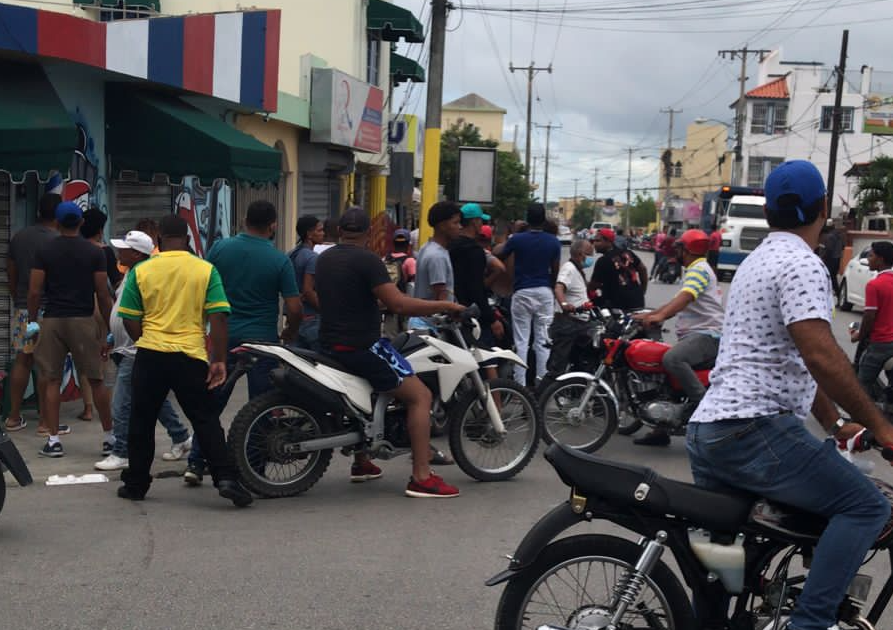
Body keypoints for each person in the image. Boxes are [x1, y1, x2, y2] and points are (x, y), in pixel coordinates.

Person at [687, 160, 893, 630]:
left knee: (728, 566)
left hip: (712, 429)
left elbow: (793, 359)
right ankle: (809, 623)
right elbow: (821, 354)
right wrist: (881, 427)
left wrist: (836, 425)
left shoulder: (757, 261)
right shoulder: (802, 263)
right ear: (823, 207)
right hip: (753, 431)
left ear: (769, 213)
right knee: (866, 506)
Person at [315, 207, 466, 497]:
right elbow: (398, 304)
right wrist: (444, 306)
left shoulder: (326, 259)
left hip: (329, 343)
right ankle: (422, 476)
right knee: (419, 395)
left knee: (371, 395)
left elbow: (341, 296)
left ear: (340, 231)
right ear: (370, 233)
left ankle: (362, 462)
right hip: (362, 346)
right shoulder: (368, 260)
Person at [116, 215, 252, 507]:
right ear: (188, 240)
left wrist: (144, 338)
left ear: (159, 239)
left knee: (141, 421)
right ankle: (226, 479)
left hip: (151, 355)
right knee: (204, 419)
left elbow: (128, 317)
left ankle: (136, 484)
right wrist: (218, 360)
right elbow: (218, 316)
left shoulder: (141, 271)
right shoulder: (205, 270)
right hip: (190, 357)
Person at [185, 201, 302, 485]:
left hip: (224, 336)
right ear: (273, 225)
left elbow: (203, 286)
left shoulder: (220, 249)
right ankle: (254, 466)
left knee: (213, 401)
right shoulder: (279, 260)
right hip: (262, 341)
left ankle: (197, 463)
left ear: (245, 219)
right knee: (260, 405)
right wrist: (289, 333)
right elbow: (295, 308)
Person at [94, 230, 193, 471]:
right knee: (152, 398)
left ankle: (121, 452)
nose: (118, 252)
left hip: (135, 350)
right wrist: (111, 336)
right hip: (124, 347)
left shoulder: (145, 274)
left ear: (137, 253)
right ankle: (181, 437)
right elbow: (123, 308)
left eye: (124, 248)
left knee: (121, 404)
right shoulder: (131, 273)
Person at [28, 202, 113, 458]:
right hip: (83, 319)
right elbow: (102, 292)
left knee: (51, 380)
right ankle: (109, 437)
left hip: (53, 319)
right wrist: (110, 327)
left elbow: (34, 290)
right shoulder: (94, 253)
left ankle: (53, 440)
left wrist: (33, 320)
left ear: (57, 221)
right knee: (96, 379)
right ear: (81, 223)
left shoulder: (44, 250)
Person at [633, 229, 724, 446]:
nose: (678, 252)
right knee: (663, 373)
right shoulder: (695, 270)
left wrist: (660, 316)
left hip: (708, 336)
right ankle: (661, 430)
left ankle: (702, 405)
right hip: (697, 336)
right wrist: (650, 315)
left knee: (672, 359)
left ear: (688, 250)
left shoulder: (699, 271)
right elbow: (675, 301)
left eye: (680, 248)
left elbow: (684, 299)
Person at [5, 193, 58, 434]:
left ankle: (13, 417)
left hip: (23, 308)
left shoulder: (19, 237)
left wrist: (19, 298)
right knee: (47, 365)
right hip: (47, 308)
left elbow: (11, 271)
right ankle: (45, 423)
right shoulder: (56, 240)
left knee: (23, 360)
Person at [495, 203, 561, 384]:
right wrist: (551, 288)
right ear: (543, 219)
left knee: (521, 341)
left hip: (522, 292)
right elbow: (555, 270)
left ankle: (519, 384)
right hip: (544, 292)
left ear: (527, 218)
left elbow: (498, 254)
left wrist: (512, 235)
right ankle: (542, 382)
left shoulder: (517, 239)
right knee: (542, 340)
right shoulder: (553, 241)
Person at [76, 207, 120, 423]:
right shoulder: (105, 252)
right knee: (104, 358)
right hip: (102, 305)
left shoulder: (75, 249)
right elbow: (116, 281)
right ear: (100, 229)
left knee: (85, 359)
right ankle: (106, 407)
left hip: (80, 306)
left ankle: (88, 408)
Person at [449, 203, 503, 347]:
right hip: (469, 313)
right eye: (481, 220)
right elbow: (476, 288)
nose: (483, 224)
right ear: (474, 222)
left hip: (449, 309)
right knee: (486, 356)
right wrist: (492, 319)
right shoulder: (475, 251)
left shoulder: (449, 246)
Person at [545, 239, 595, 378]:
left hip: (580, 323)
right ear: (580, 254)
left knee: (582, 360)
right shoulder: (569, 268)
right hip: (568, 324)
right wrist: (565, 305)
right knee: (558, 367)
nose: (592, 258)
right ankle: (541, 396)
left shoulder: (577, 270)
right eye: (590, 254)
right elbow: (559, 287)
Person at [409, 202, 462, 331]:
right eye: (455, 223)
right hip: (431, 326)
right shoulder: (437, 256)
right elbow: (440, 297)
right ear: (442, 225)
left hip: (421, 321)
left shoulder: (427, 248)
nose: (459, 227)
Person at [851, 241, 893, 392]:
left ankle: (857, 412)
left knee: (862, 383)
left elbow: (869, 316)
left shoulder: (874, 285)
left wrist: (858, 335)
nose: (868, 258)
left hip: (881, 343)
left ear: (880, 259)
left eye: (871, 255)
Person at [287, 215, 324, 351]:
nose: (323, 233)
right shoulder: (313, 258)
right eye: (319, 230)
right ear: (309, 234)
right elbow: (308, 290)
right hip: (312, 320)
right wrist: (325, 310)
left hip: (294, 320)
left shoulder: (291, 254)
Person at [589, 227, 648, 311]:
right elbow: (643, 269)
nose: (594, 244)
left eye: (598, 241)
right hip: (638, 300)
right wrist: (642, 290)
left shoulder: (603, 261)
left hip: (618, 304)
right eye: (593, 241)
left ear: (608, 242)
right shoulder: (628, 253)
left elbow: (594, 285)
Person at [381, 228, 417, 338]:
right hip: (404, 303)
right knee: (405, 337)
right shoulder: (410, 261)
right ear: (408, 244)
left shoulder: (384, 259)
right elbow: (413, 283)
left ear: (393, 243)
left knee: (390, 338)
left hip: (388, 305)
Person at [820, 223, 844, 298]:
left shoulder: (830, 236)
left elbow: (829, 249)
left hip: (830, 260)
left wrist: (823, 257)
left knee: (828, 277)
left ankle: (833, 294)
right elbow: (843, 247)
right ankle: (838, 294)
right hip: (837, 259)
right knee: (833, 278)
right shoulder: (839, 236)